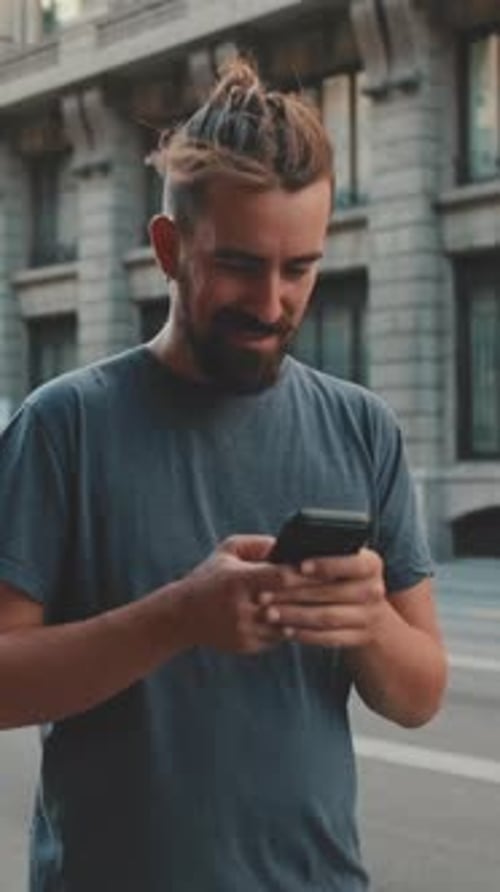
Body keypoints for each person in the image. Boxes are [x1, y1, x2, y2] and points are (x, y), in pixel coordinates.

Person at [0, 59, 447, 892]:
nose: (273, 302)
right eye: (241, 265)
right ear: (169, 248)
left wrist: (367, 624)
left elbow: (420, 695)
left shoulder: (363, 429)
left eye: (300, 268)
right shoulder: (62, 426)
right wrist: (178, 618)